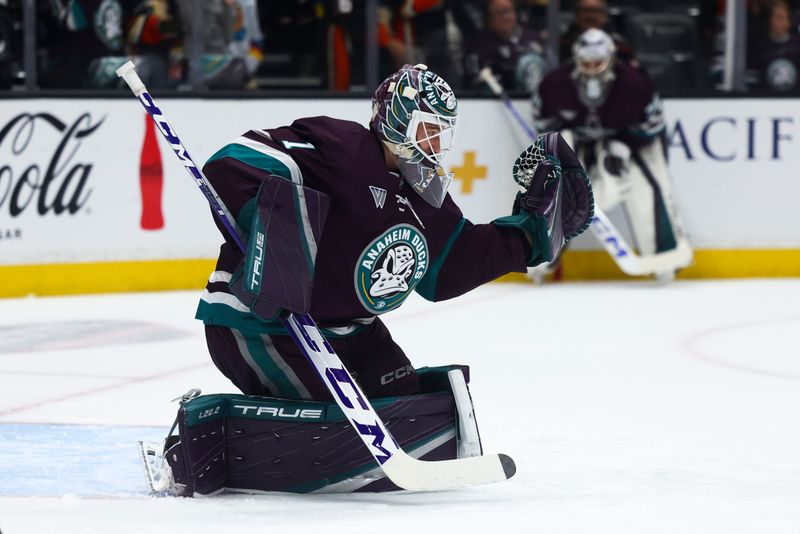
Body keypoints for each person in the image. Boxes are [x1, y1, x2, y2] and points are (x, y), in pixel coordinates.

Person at [147, 63, 593, 496]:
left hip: (352, 332)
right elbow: (232, 162)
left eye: (442, 132)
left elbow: (450, 267)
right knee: (339, 431)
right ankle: (194, 444)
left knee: (415, 416)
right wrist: (280, 234)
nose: (435, 144)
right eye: (427, 129)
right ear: (396, 118)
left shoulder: (425, 195)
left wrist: (529, 236)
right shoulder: (341, 147)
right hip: (261, 324)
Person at [533, 29, 690, 277]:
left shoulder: (636, 84)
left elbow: (652, 126)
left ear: (612, 58)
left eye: (598, 62)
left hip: (629, 142)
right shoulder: (554, 85)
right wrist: (566, 148)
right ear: (576, 58)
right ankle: (540, 256)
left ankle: (664, 256)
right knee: (556, 186)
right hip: (577, 141)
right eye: (586, 63)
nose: (592, 68)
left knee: (646, 186)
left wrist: (622, 147)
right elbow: (544, 125)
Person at [463, 0, 548, 93]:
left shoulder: (531, 38)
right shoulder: (478, 44)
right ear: (488, 18)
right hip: (495, 101)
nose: (505, 17)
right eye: (500, 13)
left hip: (531, 100)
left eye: (508, 11)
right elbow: (474, 80)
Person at [559, 0, 635, 66]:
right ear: (576, 15)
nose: (590, 16)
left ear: (604, 15)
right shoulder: (562, 44)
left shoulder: (619, 45)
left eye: (594, 10)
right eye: (585, 10)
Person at [748, 0, 800, 92]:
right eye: (779, 18)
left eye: (787, 18)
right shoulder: (758, 45)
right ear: (768, 20)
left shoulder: (797, 44)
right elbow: (752, 80)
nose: (785, 23)